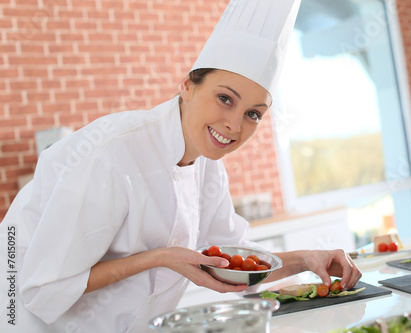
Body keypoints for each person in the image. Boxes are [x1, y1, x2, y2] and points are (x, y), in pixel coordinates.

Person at [0, 0, 361, 331]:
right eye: (225, 98)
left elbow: (236, 268)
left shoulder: (207, 168)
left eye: (253, 113)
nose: (235, 126)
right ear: (188, 85)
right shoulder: (112, 153)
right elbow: (43, 286)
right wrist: (159, 258)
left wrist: (308, 258)